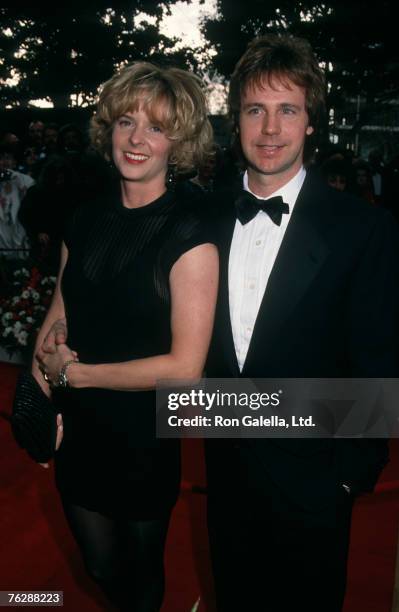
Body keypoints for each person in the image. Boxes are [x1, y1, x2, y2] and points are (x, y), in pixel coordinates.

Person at [205, 34, 399, 612]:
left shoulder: (362, 229)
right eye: (255, 110)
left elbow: (378, 357)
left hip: (315, 485)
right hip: (225, 478)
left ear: (312, 121)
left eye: (287, 110)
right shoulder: (200, 217)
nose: (269, 129)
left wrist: (345, 481)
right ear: (235, 119)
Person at [33, 61, 218, 611]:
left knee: (141, 572)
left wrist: (76, 375)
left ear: (176, 143)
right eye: (126, 122)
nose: (137, 139)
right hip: (82, 431)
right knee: (98, 564)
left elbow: (185, 369)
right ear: (107, 129)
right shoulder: (84, 219)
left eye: (156, 127)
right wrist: (45, 391)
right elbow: (57, 317)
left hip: (142, 435)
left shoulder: (191, 233)